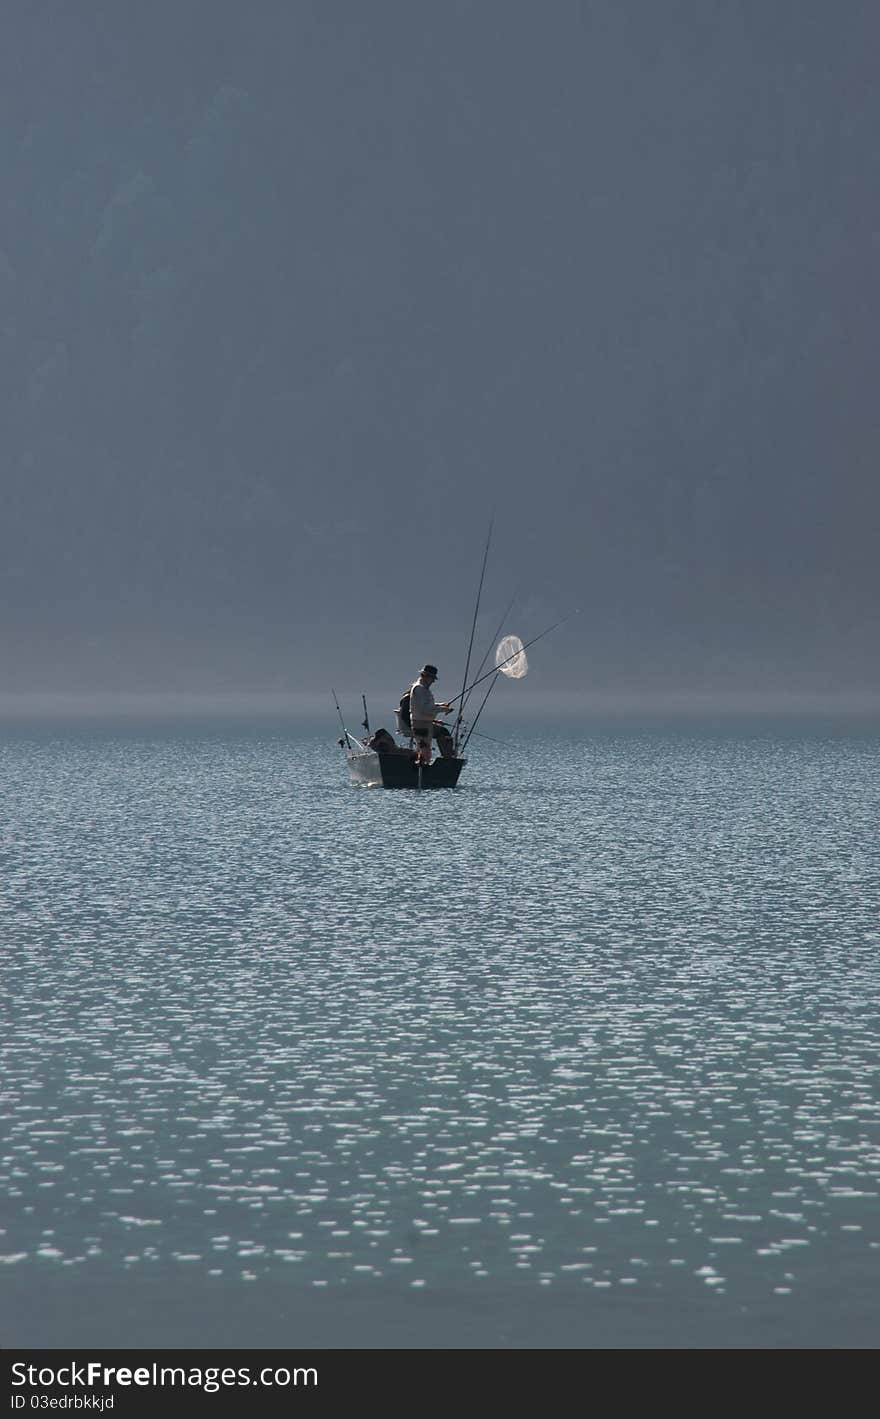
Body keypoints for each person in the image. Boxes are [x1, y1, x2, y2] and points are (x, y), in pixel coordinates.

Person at [409, 664, 453, 765]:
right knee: (424, 751)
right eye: (432, 678)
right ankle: (421, 771)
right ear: (425, 676)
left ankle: (422, 768)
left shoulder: (423, 688)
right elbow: (424, 709)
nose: (433, 681)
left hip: (424, 723)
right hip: (421, 724)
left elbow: (427, 705)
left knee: (425, 750)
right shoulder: (419, 689)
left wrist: (440, 705)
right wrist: (443, 709)